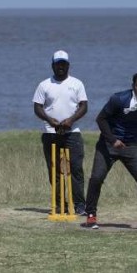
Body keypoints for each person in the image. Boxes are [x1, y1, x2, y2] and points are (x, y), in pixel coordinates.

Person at [82, 72, 137, 230]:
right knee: (96, 178)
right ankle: (90, 215)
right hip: (108, 145)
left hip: (132, 146)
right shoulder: (119, 99)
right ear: (133, 86)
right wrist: (112, 140)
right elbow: (100, 119)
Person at [33, 50, 88, 215]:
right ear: (53, 66)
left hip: (72, 133)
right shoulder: (44, 85)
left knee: (76, 170)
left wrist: (70, 120)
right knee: (54, 170)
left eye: (63, 64)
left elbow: (84, 106)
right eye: (58, 64)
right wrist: (50, 121)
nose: (61, 67)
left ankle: (79, 205)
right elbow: (37, 107)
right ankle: (58, 204)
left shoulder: (77, 84)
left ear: (68, 65)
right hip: (51, 133)